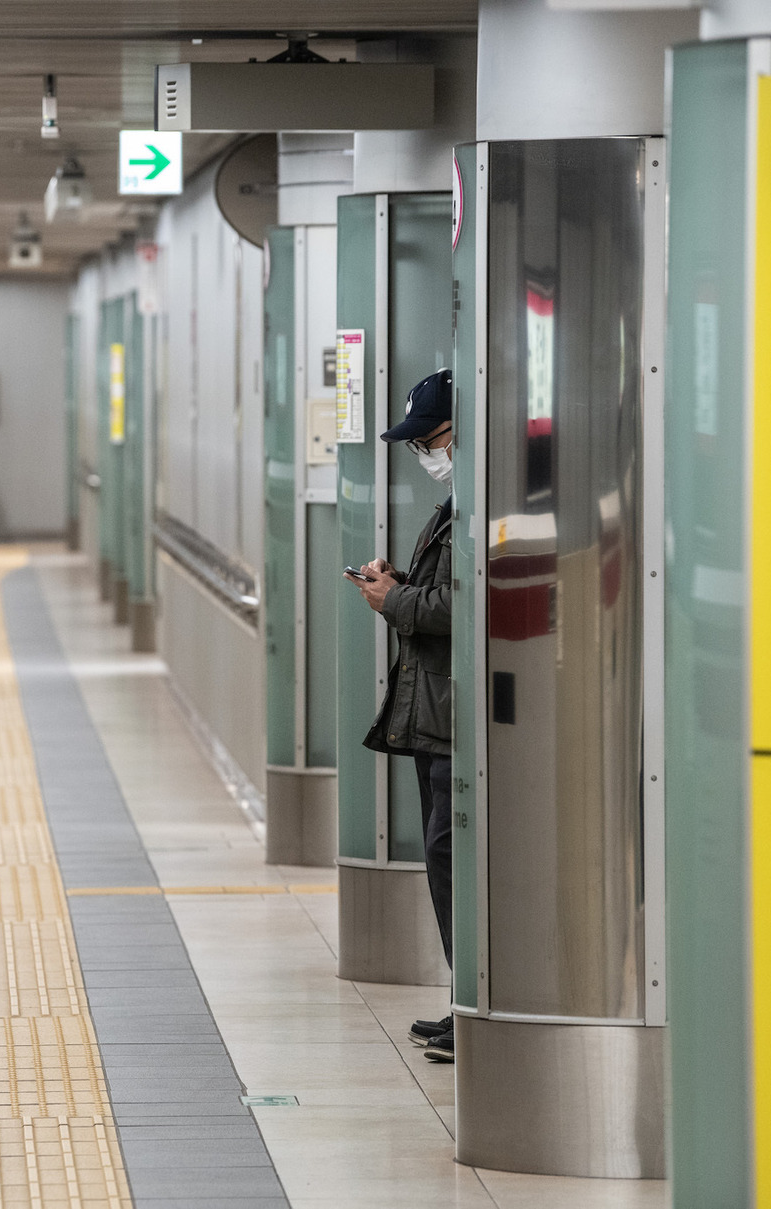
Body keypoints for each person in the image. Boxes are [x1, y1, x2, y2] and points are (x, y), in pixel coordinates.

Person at [344, 368, 457, 1063]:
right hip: (432, 712)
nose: (426, 453)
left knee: (453, 855)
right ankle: (463, 1000)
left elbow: (475, 604)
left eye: (432, 439)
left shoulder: (486, 507)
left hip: (456, 718)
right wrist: (402, 587)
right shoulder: (455, 506)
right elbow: (446, 593)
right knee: (443, 858)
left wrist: (396, 603)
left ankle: (476, 1005)